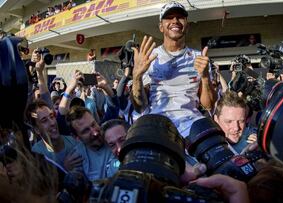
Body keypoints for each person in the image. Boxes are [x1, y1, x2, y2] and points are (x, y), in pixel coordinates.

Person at [131, 1, 216, 137]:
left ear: (187, 26)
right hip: (156, 125)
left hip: (192, 126)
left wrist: (205, 78)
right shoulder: (150, 58)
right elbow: (140, 106)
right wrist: (136, 77)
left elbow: (208, 106)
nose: (175, 21)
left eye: (180, 17)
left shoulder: (200, 57)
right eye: (169, 17)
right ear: (161, 27)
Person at [66, 106, 119, 181]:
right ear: (76, 137)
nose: (95, 133)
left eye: (93, 124)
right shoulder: (76, 159)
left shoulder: (114, 135)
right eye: (86, 130)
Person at [25, 100, 80, 172]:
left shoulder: (74, 143)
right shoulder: (36, 155)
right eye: (44, 121)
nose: (52, 123)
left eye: (52, 116)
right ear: (36, 129)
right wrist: (64, 169)